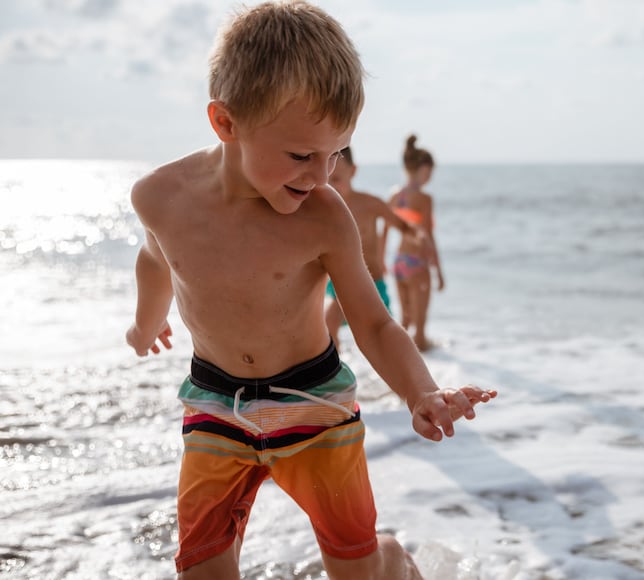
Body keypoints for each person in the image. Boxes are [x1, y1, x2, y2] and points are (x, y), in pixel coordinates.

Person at [123, 2, 496, 579]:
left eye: (336, 154)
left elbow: (373, 323)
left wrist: (421, 393)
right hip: (216, 405)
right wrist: (145, 325)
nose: (322, 176)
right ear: (225, 123)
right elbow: (155, 261)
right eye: (301, 155)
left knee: (357, 570)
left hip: (315, 405)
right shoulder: (159, 198)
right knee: (199, 572)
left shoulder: (324, 217)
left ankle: (392, 560)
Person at [323, 146, 421, 351]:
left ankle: (399, 379)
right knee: (328, 328)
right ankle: (335, 373)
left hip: (372, 283)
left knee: (386, 338)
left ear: (353, 171)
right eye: (327, 179)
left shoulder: (371, 204)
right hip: (339, 284)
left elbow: (402, 226)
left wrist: (420, 237)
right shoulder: (321, 209)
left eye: (337, 179)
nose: (332, 186)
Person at [385, 135, 444, 352]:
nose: (430, 177)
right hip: (418, 262)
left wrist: (382, 261)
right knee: (420, 329)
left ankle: (396, 363)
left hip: (399, 262)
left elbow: (384, 229)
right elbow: (428, 236)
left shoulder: (394, 195)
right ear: (422, 169)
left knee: (405, 320)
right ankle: (423, 378)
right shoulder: (424, 199)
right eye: (430, 171)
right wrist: (438, 270)